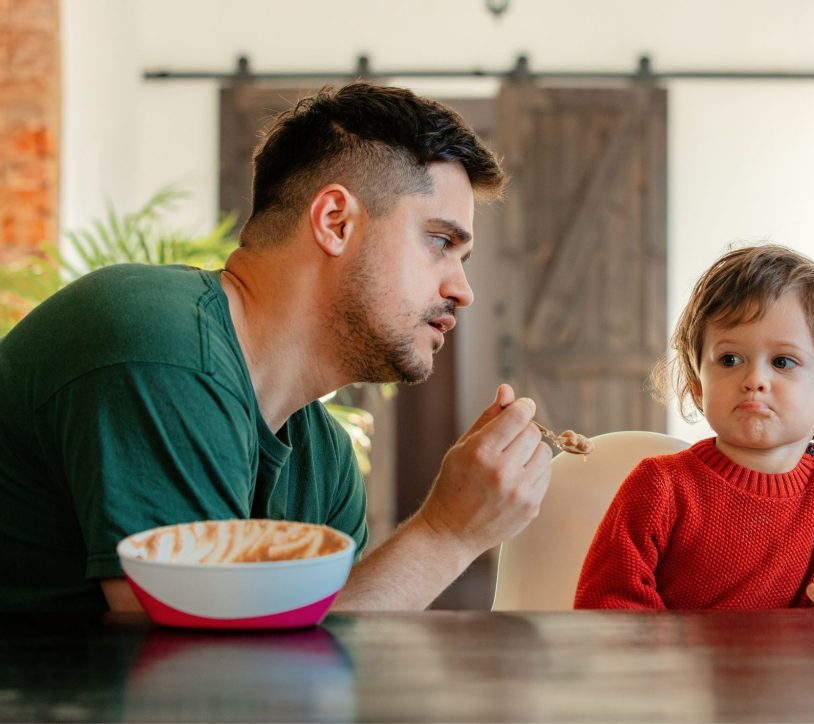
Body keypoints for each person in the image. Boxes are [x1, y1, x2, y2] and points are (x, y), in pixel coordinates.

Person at [0, 82, 552, 613]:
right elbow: (189, 675)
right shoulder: (158, 346)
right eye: (440, 242)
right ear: (336, 222)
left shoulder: (325, 462)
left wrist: (450, 532)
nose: (464, 290)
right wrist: (446, 535)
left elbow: (317, 656)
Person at [574, 244, 814, 610]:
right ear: (698, 384)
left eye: (783, 362)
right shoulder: (658, 487)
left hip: (803, 669)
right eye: (730, 359)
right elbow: (606, 607)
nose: (755, 378)